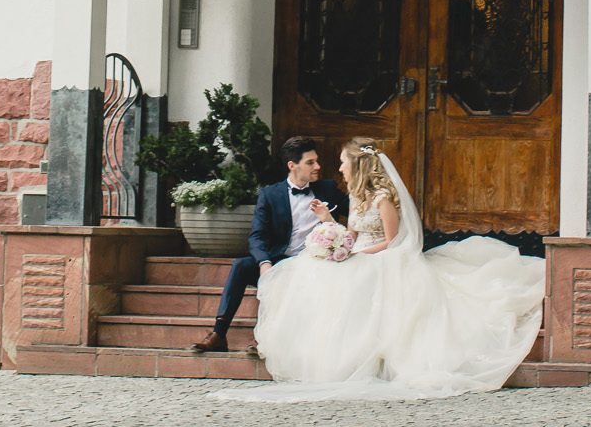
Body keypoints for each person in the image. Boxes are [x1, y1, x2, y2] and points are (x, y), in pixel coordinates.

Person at [215, 137, 546, 401]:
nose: (338, 168)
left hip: (383, 257)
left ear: (357, 164)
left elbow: (393, 240)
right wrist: (330, 228)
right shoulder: (356, 197)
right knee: (311, 272)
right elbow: (351, 235)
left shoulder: (383, 198)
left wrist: (356, 254)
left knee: (349, 277)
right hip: (359, 254)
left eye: (343, 162)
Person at [190, 135, 349, 354]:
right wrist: (264, 262)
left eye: (316, 161)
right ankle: (219, 334)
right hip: (279, 260)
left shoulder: (327, 189)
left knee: (288, 279)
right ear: (292, 166)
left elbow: (358, 211)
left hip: (312, 264)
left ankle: (264, 339)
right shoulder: (270, 194)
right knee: (241, 266)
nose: (318, 167)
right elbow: (257, 236)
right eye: (310, 162)